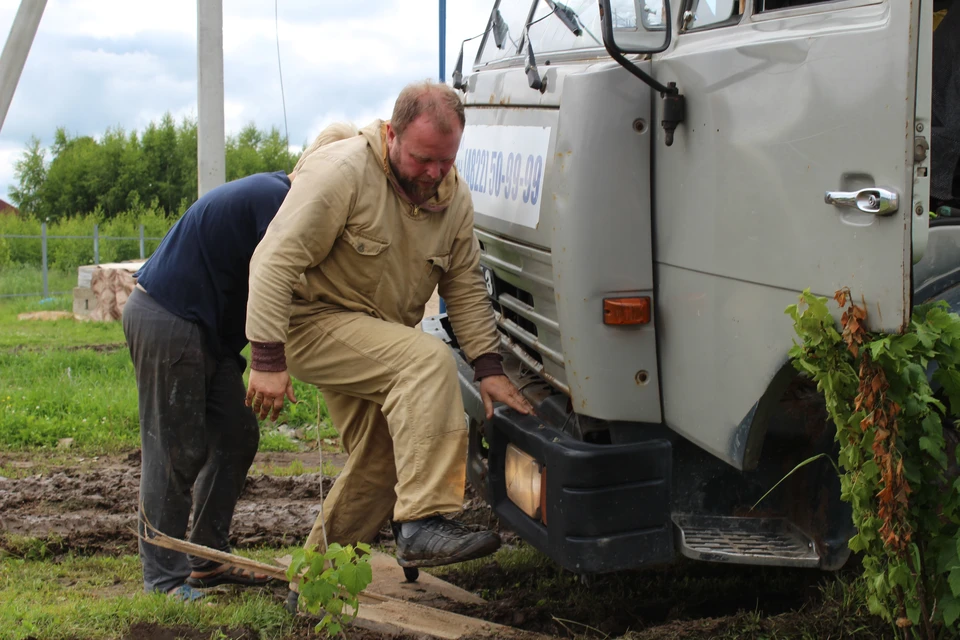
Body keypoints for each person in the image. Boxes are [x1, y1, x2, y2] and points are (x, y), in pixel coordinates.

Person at [243, 80, 534, 576]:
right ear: (392, 134)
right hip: (312, 323)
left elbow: (462, 283)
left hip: (374, 336)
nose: (435, 173)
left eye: (446, 159)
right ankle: (423, 522)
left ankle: (317, 580)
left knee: (385, 456)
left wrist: (488, 368)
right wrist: (267, 360)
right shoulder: (345, 173)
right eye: (423, 158)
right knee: (426, 362)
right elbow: (274, 260)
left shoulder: (452, 196)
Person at [122, 169, 295, 601]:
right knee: (175, 450)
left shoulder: (279, 194)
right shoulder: (278, 199)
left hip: (205, 331)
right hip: (170, 317)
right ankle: (163, 580)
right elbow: (276, 276)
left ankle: (207, 556)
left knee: (236, 433)